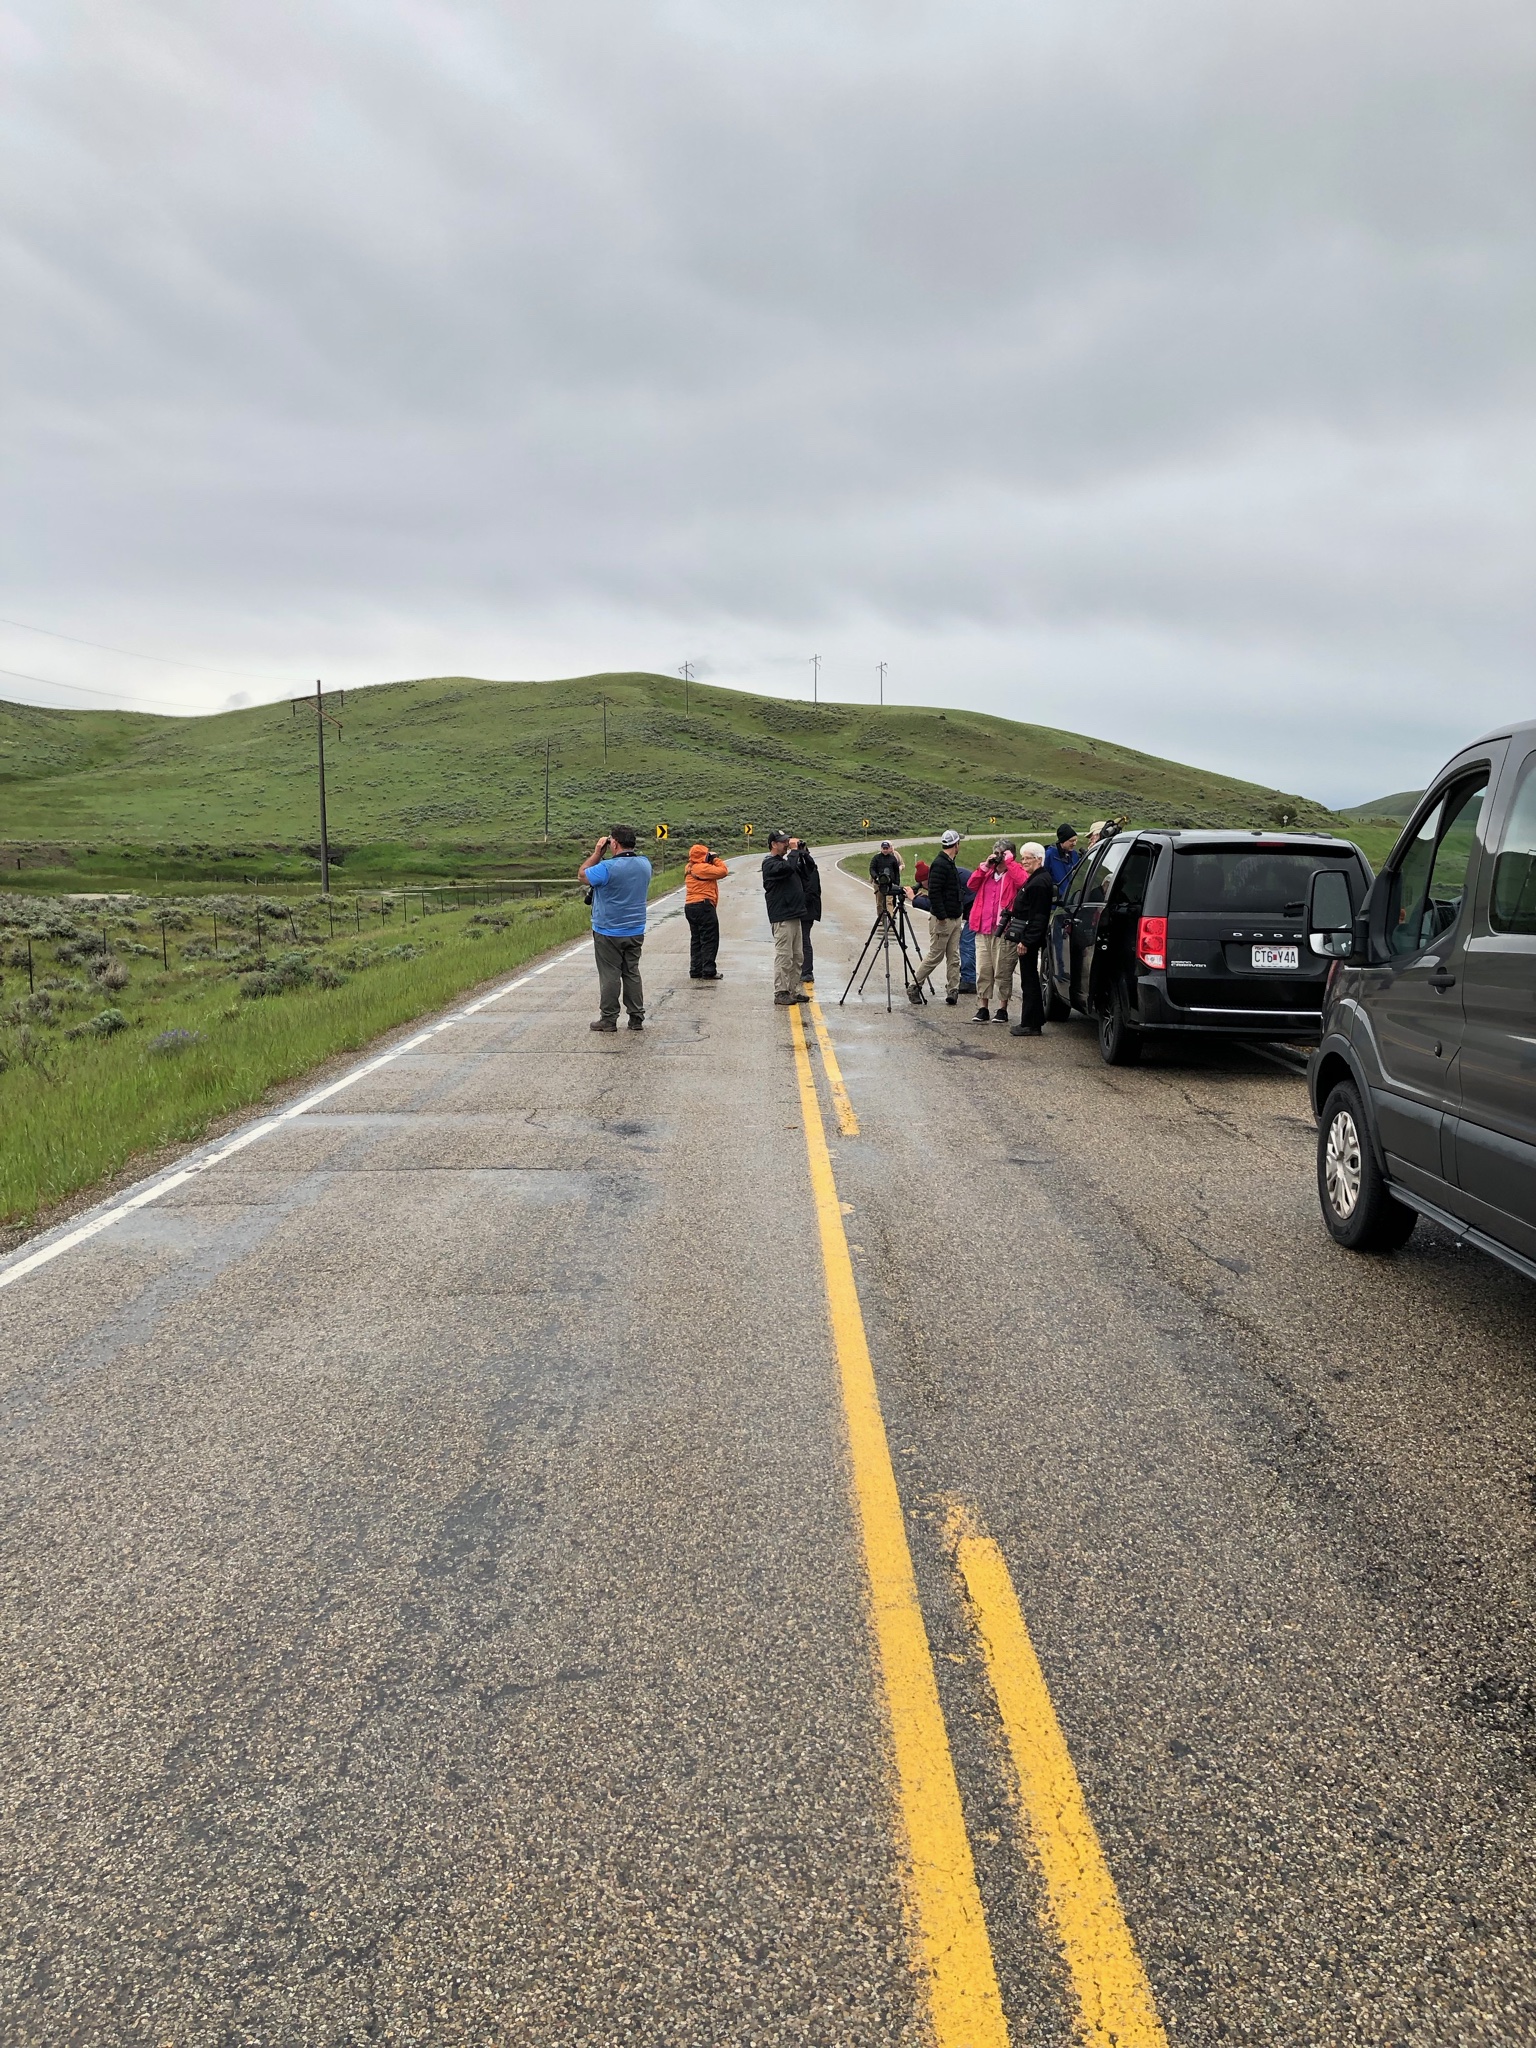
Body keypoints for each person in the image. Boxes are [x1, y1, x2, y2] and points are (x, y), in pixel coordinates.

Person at [577, 825, 652, 1031]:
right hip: (635, 928)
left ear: (615, 843)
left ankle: (608, 1019)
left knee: (610, 973)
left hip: (608, 930)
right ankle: (636, 1016)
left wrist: (596, 853)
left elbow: (582, 875)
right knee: (631, 971)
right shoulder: (645, 864)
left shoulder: (607, 868)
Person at [966, 839, 1027, 1022]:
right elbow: (971, 885)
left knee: (1003, 969)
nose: (998, 857)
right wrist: (985, 866)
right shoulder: (987, 873)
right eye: (996, 853)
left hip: (1005, 929)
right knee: (984, 969)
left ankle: (1002, 1008)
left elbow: (1024, 882)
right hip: (984, 927)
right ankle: (983, 1007)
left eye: (1001, 853)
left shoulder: (1015, 872)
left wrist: (1010, 863)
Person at [910, 828, 966, 1005]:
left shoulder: (948, 862)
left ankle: (953, 989)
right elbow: (934, 892)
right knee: (935, 955)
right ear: (956, 844)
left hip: (955, 916)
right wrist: (941, 916)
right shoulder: (940, 864)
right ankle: (914, 986)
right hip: (944, 919)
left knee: (953, 956)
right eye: (959, 843)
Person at [1007, 842, 1055, 1037]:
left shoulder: (1039, 882)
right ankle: (1032, 1020)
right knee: (1029, 979)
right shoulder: (1037, 879)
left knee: (1029, 980)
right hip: (1029, 934)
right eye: (1023, 857)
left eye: (1027, 858)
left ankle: (1031, 1023)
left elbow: (1038, 917)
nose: (1023, 861)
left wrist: (1026, 941)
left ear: (1039, 859)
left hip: (1029, 937)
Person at [762, 829, 810, 1005]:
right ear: (773, 844)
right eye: (783, 842)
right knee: (784, 956)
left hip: (795, 913)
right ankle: (780, 991)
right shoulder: (769, 864)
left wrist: (803, 854)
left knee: (798, 956)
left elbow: (807, 873)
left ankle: (793, 989)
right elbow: (787, 868)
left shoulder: (786, 861)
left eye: (787, 842)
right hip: (782, 916)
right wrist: (794, 852)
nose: (786, 845)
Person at [684, 842, 729, 981]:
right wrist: (715, 858)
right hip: (703, 906)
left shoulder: (689, 867)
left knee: (696, 939)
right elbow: (723, 871)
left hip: (690, 906)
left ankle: (695, 969)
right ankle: (708, 970)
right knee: (709, 938)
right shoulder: (702, 868)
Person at [799, 839, 823, 985]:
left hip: (807, 910)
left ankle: (807, 971)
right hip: (805, 909)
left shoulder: (811, 868)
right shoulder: (805, 868)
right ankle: (803, 970)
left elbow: (811, 891)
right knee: (802, 940)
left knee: (804, 940)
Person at [1044, 823, 1080, 897]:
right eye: (1071, 841)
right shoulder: (1049, 855)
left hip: (1071, 900)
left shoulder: (1074, 855)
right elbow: (1043, 879)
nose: (1074, 843)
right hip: (1055, 902)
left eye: (1076, 840)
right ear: (1063, 840)